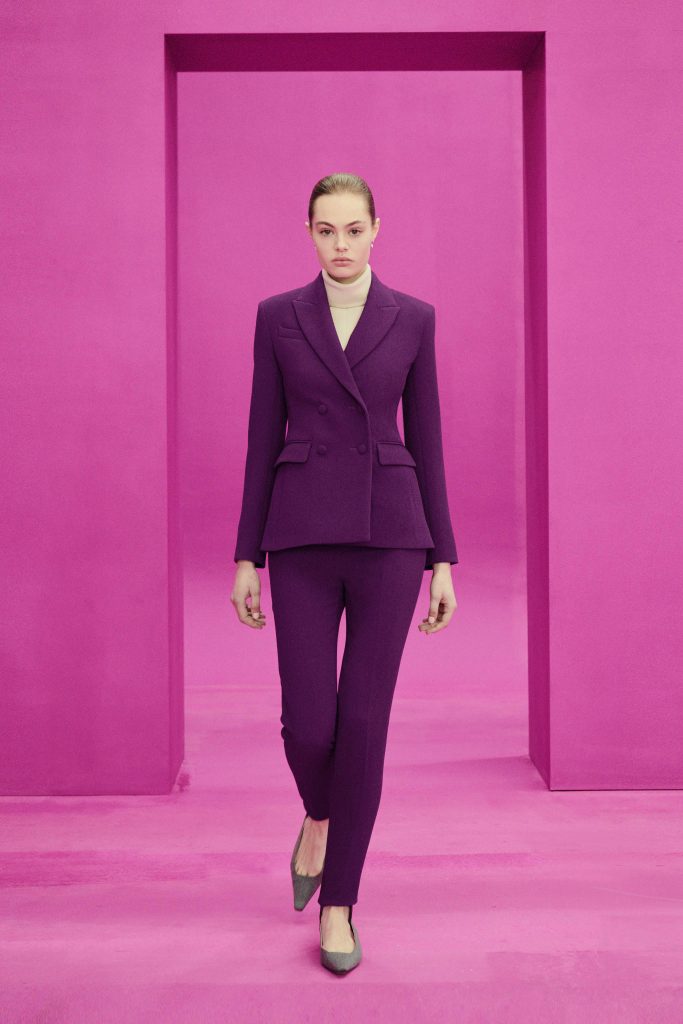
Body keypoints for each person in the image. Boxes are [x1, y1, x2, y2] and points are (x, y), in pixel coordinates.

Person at [230, 173, 458, 974]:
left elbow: (427, 439)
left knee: (362, 726)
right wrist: (246, 554)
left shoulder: (413, 318)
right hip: (299, 534)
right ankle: (319, 817)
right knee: (308, 725)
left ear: (375, 230)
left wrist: (442, 558)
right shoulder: (278, 316)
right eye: (325, 230)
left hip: (390, 535)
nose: (339, 245)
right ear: (308, 231)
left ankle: (339, 905)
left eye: (353, 229)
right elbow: (261, 435)